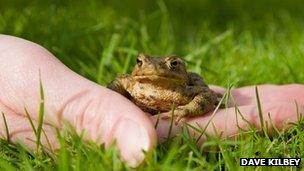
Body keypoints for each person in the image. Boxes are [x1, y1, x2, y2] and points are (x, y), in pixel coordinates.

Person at [0, 35, 303, 167]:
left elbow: (206, 95)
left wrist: (186, 109)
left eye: (171, 65)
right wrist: (108, 100)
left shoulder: (186, 85)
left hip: (178, 97)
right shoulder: (133, 81)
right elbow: (120, 81)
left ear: (180, 70)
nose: (153, 69)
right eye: (142, 62)